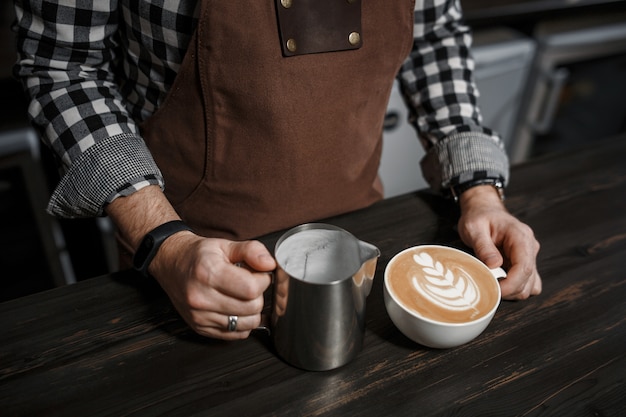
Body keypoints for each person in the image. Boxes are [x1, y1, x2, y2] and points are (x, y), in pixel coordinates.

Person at [14, 0, 541, 340]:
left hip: (359, 241)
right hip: (187, 265)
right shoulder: (175, 254)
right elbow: (63, 66)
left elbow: (434, 35)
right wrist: (164, 244)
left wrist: (480, 192)